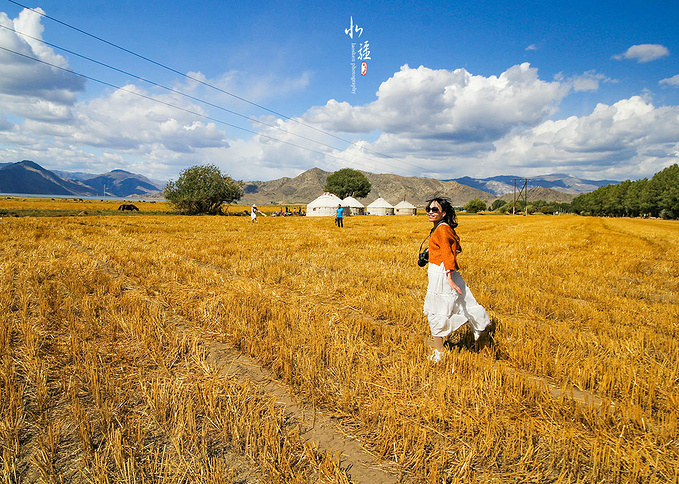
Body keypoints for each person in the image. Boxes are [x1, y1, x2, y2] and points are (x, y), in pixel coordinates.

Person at [422, 197, 491, 363]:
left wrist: (449, 276)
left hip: (441, 273)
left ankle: (440, 353)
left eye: (435, 210)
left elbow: (447, 252)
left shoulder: (442, 229)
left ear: (443, 213)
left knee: (436, 312)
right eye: (428, 209)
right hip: (442, 270)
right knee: (462, 303)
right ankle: (478, 328)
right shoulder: (443, 228)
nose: (430, 212)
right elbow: (456, 248)